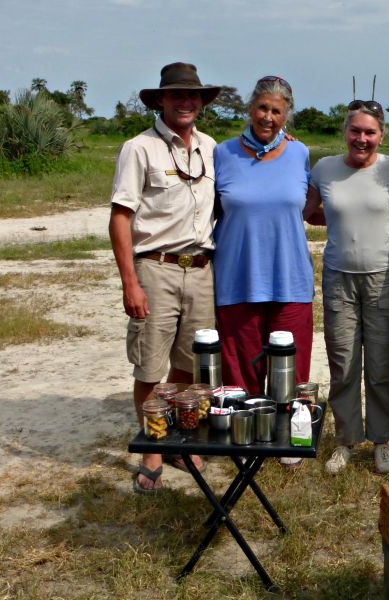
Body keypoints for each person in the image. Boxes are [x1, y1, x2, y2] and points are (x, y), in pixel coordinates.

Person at [109, 62, 220, 493]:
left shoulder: (211, 147)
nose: (186, 102)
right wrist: (129, 283)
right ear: (160, 99)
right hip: (156, 268)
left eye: (193, 95)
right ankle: (152, 451)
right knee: (150, 367)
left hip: (202, 269)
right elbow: (121, 218)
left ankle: (181, 438)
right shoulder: (140, 148)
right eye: (177, 95)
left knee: (191, 367)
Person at [303, 100, 389, 474]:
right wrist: (340, 219)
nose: (361, 139)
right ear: (344, 132)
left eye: (370, 132)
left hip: (385, 277)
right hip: (338, 278)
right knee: (343, 363)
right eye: (355, 131)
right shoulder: (324, 169)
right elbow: (310, 212)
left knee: (381, 365)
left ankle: (381, 440)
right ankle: (346, 440)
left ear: (381, 135)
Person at [212, 75, 314, 401]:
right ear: (250, 108)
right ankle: (247, 438)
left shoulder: (300, 153)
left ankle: (288, 437)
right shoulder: (222, 153)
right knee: (241, 372)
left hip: (291, 278)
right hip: (236, 278)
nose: (268, 117)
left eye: (276, 111)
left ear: (287, 116)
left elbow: (315, 206)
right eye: (262, 108)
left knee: (291, 368)